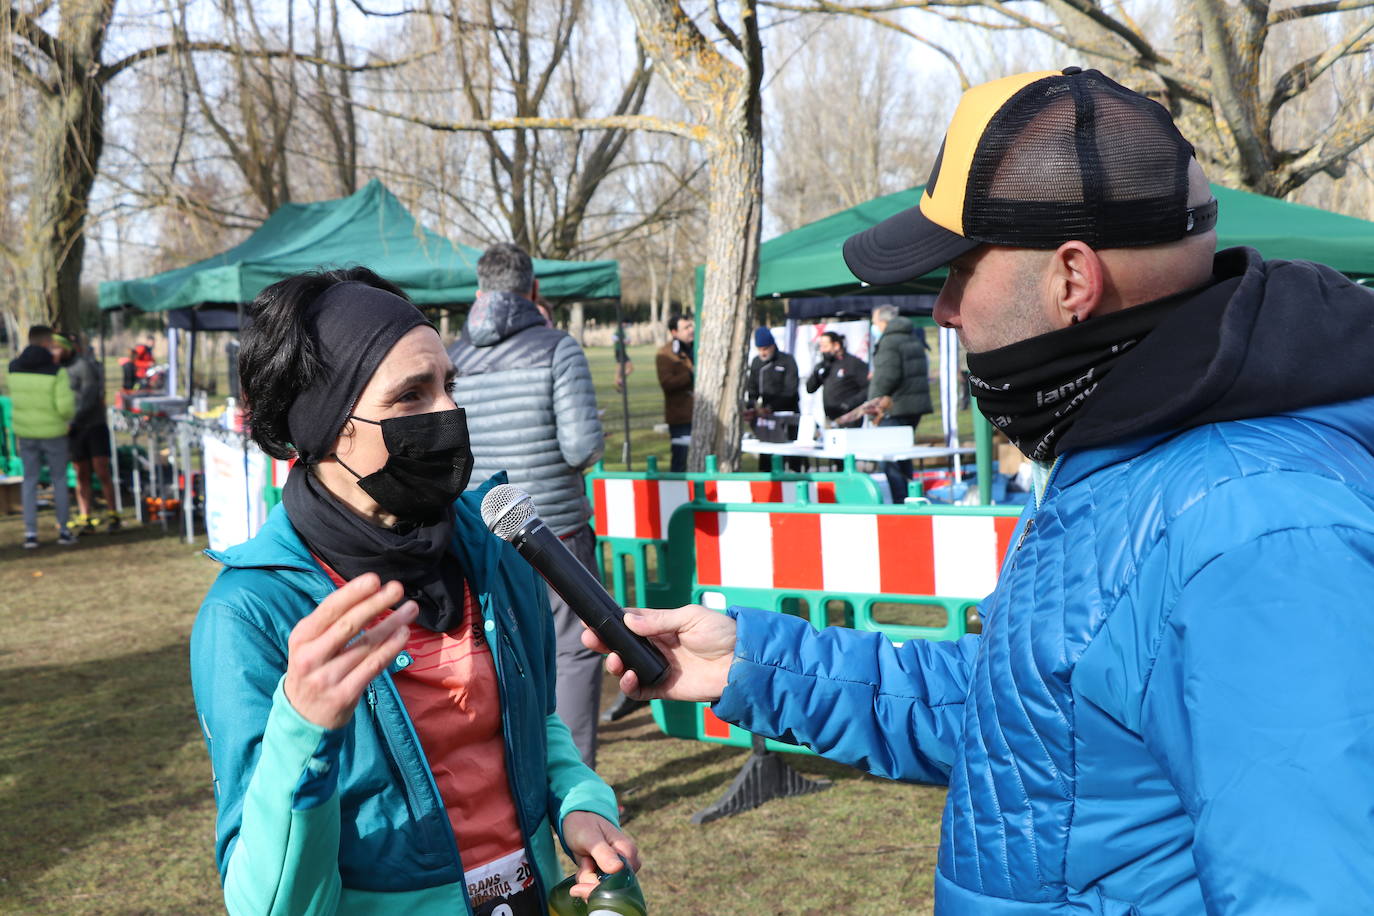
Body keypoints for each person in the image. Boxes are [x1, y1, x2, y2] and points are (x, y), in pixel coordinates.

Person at [586, 68, 1374, 913]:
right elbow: (1031, 722)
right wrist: (752, 663)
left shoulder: (1259, 529)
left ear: (1073, 281)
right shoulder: (1134, 450)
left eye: (958, 270)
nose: (944, 312)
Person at [191, 267, 636, 916]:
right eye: (411, 396)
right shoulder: (251, 615)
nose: (448, 414)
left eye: (449, 385)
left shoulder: (490, 548)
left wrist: (577, 804)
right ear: (324, 423)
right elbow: (267, 903)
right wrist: (302, 730)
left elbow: (535, 719)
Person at [448, 243, 608, 768]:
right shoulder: (558, 348)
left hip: (483, 530)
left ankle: (514, 769)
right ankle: (577, 779)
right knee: (576, 649)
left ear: (479, 292)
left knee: (499, 651)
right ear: (533, 290)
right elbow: (582, 447)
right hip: (555, 528)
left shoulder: (454, 358)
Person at [7, 325, 76, 548]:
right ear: (47, 342)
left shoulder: (14, 367)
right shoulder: (57, 372)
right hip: (53, 431)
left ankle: (30, 533)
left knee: (30, 481)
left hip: (26, 431)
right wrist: (67, 419)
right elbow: (65, 407)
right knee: (59, 480)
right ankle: (63, 530)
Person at [867, 304, 933, 500]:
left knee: (891, 460)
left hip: (894, 407)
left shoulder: (889, 341)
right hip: (913, 406)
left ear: (884, 322)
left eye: (875, 322)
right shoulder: (912, 336)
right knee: (904, 458)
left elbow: (886, 377)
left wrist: (872, 405)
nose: (874, 326)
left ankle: (901, 504)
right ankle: (910, 500)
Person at [58, 332, 121, 533]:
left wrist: (74, 419)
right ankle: (85, 516)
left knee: (101, 470)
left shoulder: (83, 366)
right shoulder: (57, 370)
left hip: (93, 426)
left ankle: (113, 514)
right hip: (74, 430)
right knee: (81, 473)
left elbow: (90, 395)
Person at [745, 327, 803, 471]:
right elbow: (752, 388)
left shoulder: (787, 361)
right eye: (760, 349)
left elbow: (790, 390)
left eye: (765, 348)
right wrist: (752, 406)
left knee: (791, 455)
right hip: (766, 418)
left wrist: (771, 407)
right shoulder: (757, 363)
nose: (763, 353)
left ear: (773, 345)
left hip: (787, 415)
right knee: (767, 456)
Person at [655, 314, 694, 472]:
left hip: (701, 414)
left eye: (691, 326)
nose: (691, 330)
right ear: (674, 332)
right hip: (680, 417)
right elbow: (667, 383)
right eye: (686, 328)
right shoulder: (665, 354)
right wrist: (691, 375)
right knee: (680, 462)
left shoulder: (699, 348)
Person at [804, 331, 868, 426]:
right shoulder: (825, 365)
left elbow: (867, 388)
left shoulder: (854, 363)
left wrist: (850, 403)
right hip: (830, 418)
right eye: (821, 347)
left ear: (836, 346)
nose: (822, 350)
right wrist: (816, 373)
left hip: (850, 417)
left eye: (825, 346)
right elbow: (810, 389)